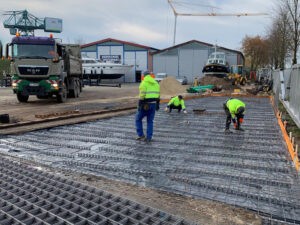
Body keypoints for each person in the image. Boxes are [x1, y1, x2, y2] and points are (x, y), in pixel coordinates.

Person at [135, 71, 160, 142]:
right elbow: (158, 95)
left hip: (145, 104)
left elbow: (142, 95)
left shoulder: (143, 83)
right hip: (153, 104)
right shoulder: (156, 83)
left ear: (144, 76)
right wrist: (157, 104)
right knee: (150, 121)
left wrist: (139, 104)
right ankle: (149, 137)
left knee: (138, 119)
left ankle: (141, 135)